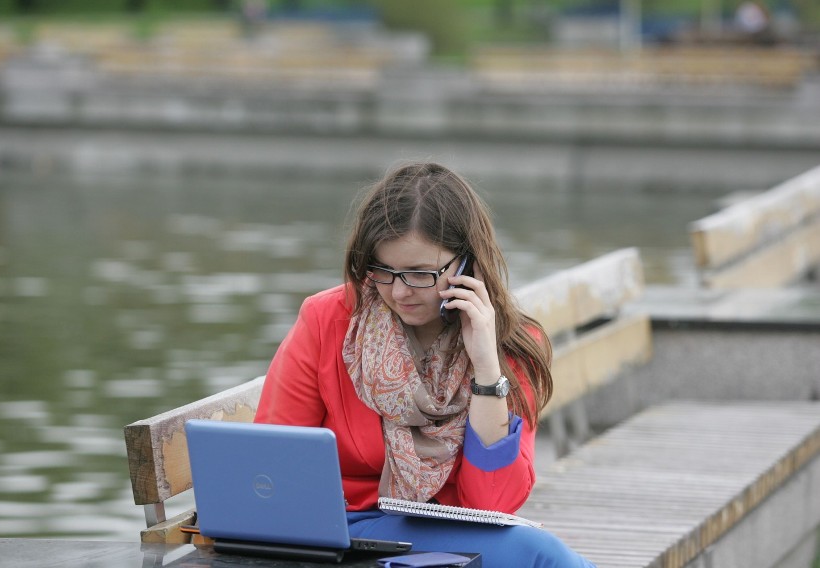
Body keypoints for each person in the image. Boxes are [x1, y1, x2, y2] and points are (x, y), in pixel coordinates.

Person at [255, 162, 596, 567]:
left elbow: (493, 505)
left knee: (538, 555)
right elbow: (271, 463)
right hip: (338, 534)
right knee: (543, 558)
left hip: (452, 534)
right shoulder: (329, 320)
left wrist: (487, 370)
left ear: (467, 263)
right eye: (383, 270)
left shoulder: (509, 343)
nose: (399, 291)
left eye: (421, 274)